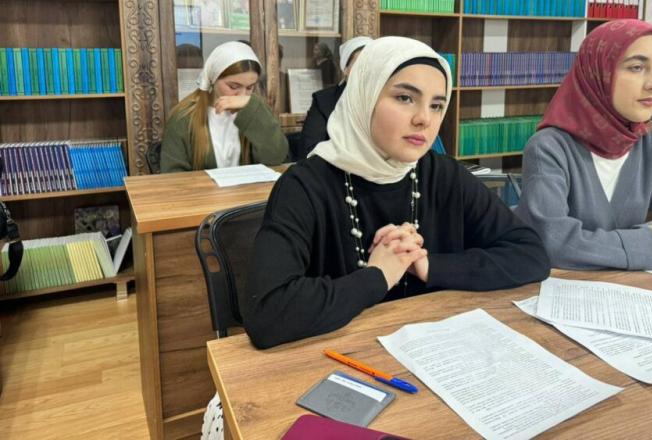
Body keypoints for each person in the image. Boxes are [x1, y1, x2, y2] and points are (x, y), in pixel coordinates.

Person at [244, 36, 550, 349]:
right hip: (340, 355)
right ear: (365, 97)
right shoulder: (305, 186)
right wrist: (377, 276)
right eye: (405, 98)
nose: (424, 119)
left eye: (436, 105)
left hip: (436, 351)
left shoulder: (445, 175)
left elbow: (531, 255)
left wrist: (431, 267)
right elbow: (268, 314)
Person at [516, 19, 652, 271]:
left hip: (637, 284)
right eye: (637, 67)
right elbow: (552, 242)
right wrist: (649, 241)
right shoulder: (550, 147)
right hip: (570, 287)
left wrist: (648, 239)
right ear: (598, 73)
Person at [160, 41, 288, 172]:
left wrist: (253, 109)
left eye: (250, 87)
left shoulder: (256, 109)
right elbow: (173, 174)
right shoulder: (184, 118)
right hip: (202, 186)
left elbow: (276, 158)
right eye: (233, 86)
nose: (242, 95)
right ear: (213, 78)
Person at [298, 36, 372, 159]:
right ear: (345, 69)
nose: (367, 70)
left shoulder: (387, 99)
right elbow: (310, 149)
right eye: (360, 64)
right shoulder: (324, 100)